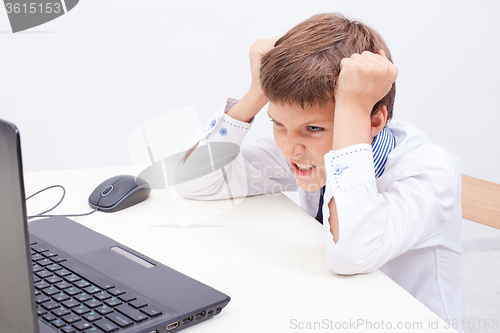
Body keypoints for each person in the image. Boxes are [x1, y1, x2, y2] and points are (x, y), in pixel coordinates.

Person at [175, 13, 465, 328]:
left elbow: (351, 254)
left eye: (313, 127)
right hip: (330, 310)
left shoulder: (430, 171)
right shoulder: (308, 152)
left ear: (375, 121)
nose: (289, 148)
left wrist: (353, 107)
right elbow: (193, 181)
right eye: (279, 124)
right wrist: (257, 91)